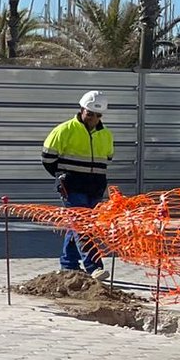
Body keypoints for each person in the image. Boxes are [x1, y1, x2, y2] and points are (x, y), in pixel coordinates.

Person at [41, 90, 113, 274]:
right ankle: (94, 266)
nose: (93, 119)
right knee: (83, 225)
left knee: (78, 226)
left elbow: (107, 160)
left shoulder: (106, 135)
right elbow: (48, 158)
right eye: (90, 114)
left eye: (98, 115)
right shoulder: (64, 130)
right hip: (72, 187)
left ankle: (68, 264)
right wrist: (62, 177)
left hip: (95, 188)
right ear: (82, 109)